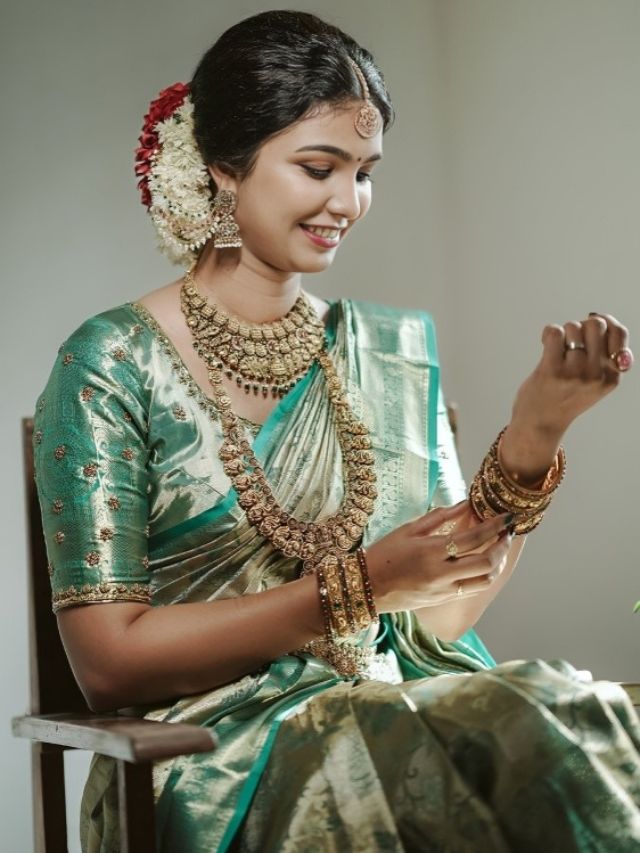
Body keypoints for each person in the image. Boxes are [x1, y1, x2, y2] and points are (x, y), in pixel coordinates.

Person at [33, 10, 639, 853]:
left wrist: (536, 432)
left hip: (388, 707)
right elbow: (108, 663)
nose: (347, 202)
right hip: (217, 758)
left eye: (366, 173)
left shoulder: (380, 352)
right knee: (526, 731)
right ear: (222, 167)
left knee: (585, 708)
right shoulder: (109, 362)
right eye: (319, 167)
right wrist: (358, 584)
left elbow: (438, 623)